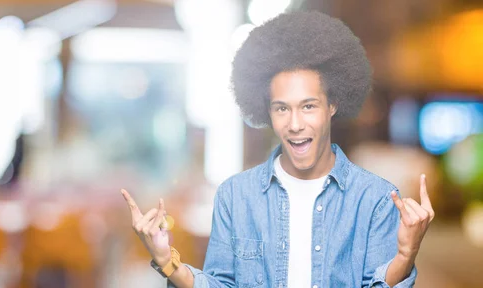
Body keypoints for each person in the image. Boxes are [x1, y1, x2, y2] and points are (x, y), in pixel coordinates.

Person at [121, 11, 433, 288]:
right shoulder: (235, 195)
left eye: (308, 106)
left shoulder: (376, 198)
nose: (295, 123)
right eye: (281, 109)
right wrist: (165, 260)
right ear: (267, 111)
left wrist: (406, 254)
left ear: (332, 105)